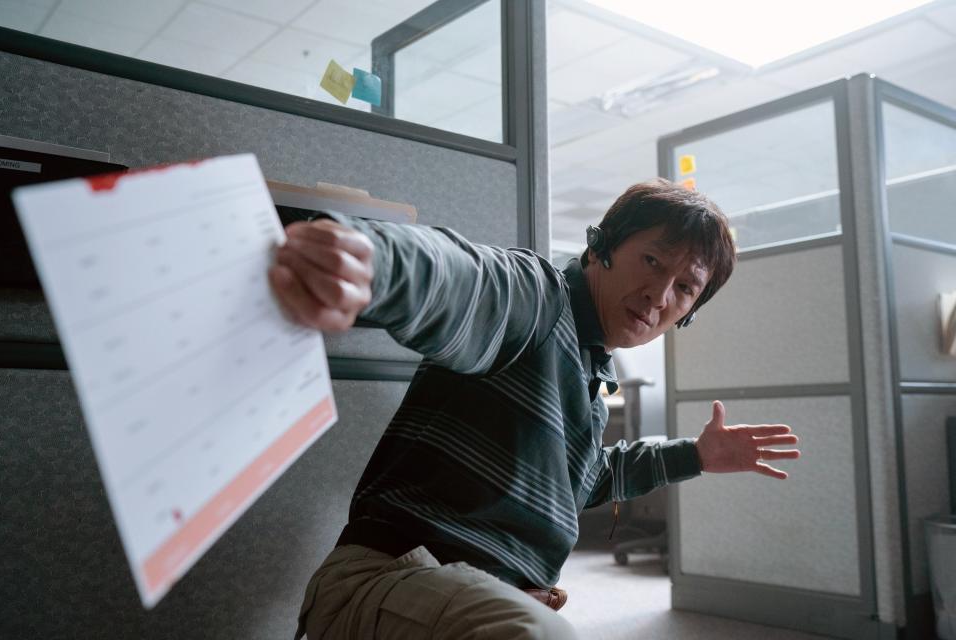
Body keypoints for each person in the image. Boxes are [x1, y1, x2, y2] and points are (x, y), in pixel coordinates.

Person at [269, 179, 801, 640]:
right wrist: (373, 262)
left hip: (457, 592)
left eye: (685, 288)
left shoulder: (591, 377)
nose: (659, 294)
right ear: (603, 247)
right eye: (653, 261)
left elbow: (587, 479)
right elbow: (464, 278)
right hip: (387, 579)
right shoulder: (541, 300)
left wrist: (695, 455)